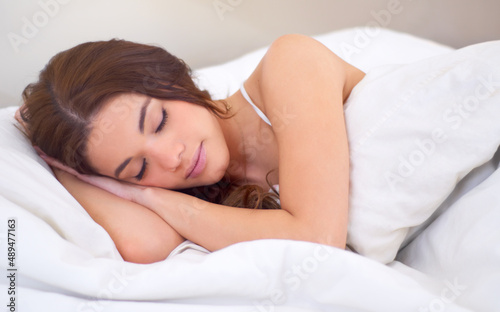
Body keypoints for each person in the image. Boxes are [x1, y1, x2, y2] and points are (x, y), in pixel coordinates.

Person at [17, 34, 365, 263]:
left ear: (172, 78)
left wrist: (151, 194)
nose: (172, 159)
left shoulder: (290, 62)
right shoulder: (205, 200)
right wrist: (69, 171)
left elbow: (319, 241)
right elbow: (146, 244)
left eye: (159, 122)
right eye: (138, 170)